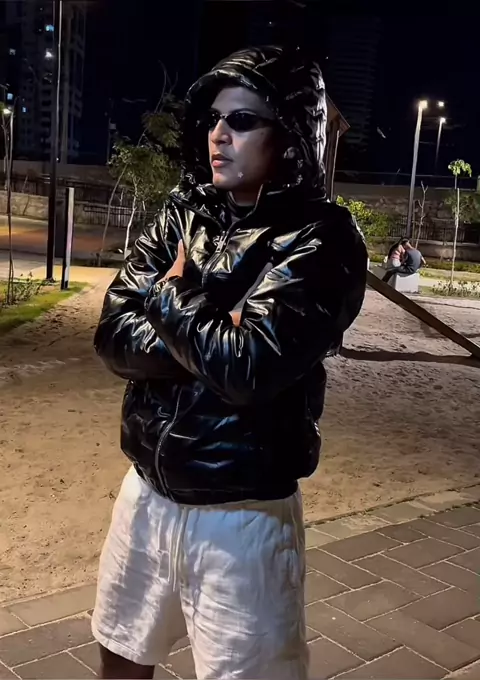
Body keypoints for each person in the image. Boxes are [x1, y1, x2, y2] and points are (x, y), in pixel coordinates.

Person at [92, 45, 368, 680]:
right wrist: (218, 332)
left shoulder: (320, 237)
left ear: (291, 135)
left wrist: (170, 297)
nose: (219, 133)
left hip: (242, 518)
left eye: (243, 120)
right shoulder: (182, 212)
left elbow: (249, 369)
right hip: (145, 494)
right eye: (214, 118)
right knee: (119, 651)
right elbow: (111, 335)